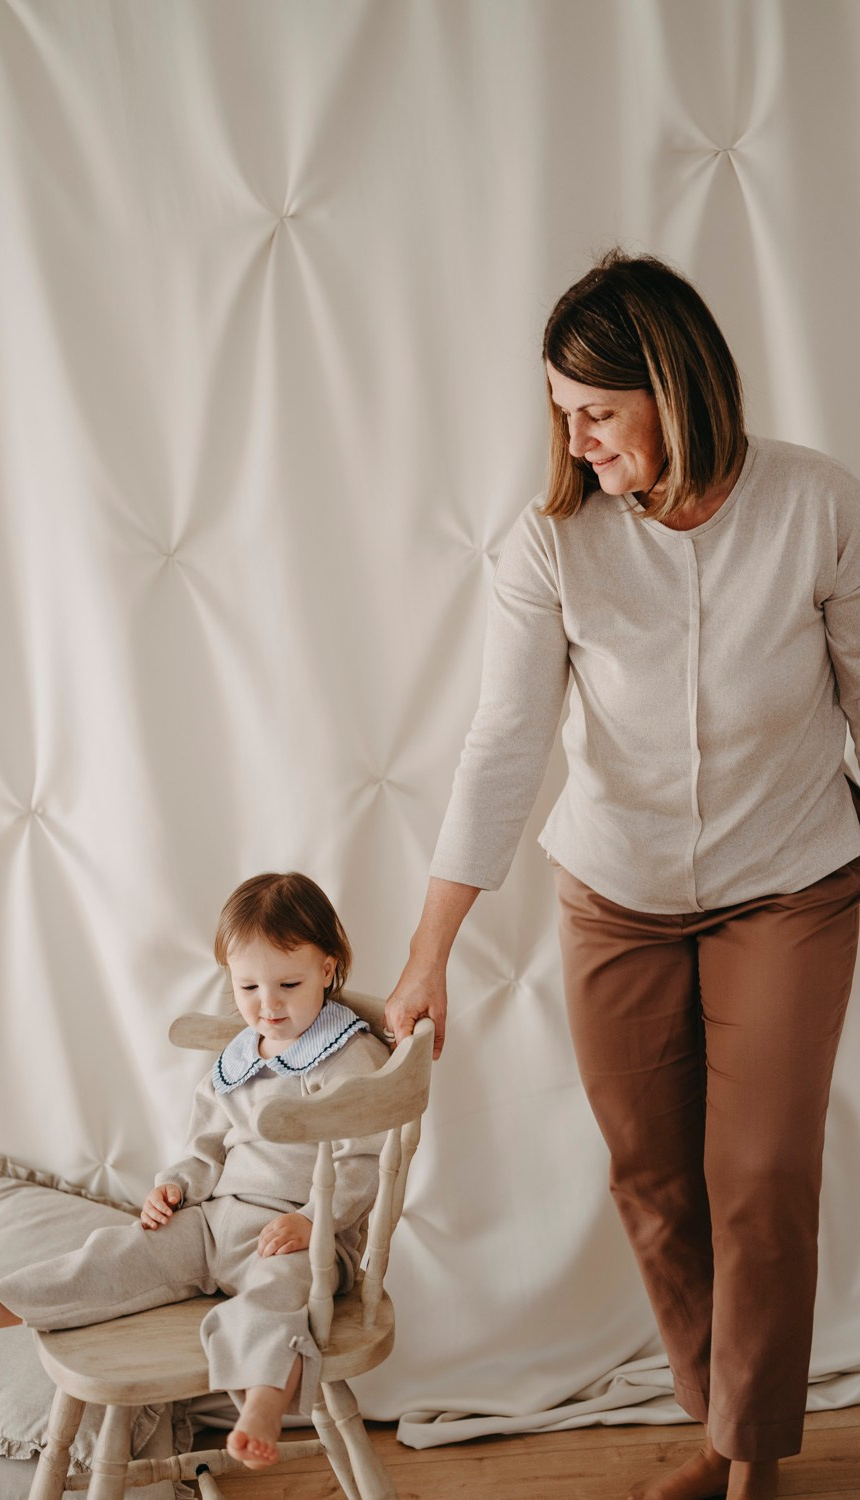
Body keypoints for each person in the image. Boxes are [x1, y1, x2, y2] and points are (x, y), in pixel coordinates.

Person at [384, 249, 860, 1500]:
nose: (578, 438)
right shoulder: (551, 547)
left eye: (597, 411)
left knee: (758, 1173)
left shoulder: (816, 504)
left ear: (673, 384)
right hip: (616, 898)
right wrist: (428, 954)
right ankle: (719, 1424)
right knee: (653, 1180)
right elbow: (503, 747)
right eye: (561, 415)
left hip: (792, 882)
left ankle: (751, 1463)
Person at [0, 871, 388, 1472]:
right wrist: (175, 1186)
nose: (267, 1004)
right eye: (247, 986)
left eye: (288, 983)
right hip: (215, 1219)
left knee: (276, 1299)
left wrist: (313, 1223)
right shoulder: (240, 1056)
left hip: (292, 1239)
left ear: (327, 970)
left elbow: (360, 1163)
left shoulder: (351, 1056)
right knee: (115, 1253)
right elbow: (206, 1148)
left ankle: (264, 1403)